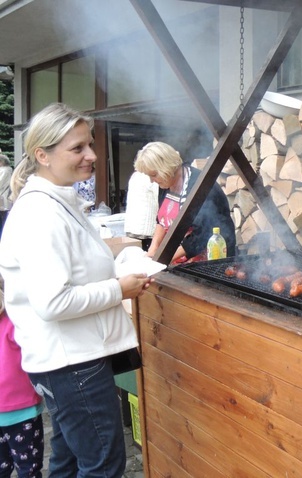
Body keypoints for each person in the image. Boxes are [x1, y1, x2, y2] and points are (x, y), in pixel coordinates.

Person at [0, 103, 153, 477]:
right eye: (78, 148)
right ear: (43, 155)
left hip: (69, 360)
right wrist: (120, 289)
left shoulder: (57, 203)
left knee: (68, 460)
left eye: (90, 144)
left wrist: (125, 249)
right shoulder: (40, 214)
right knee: (103, 465)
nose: (92, 155)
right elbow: (54, 301)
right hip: (72, 364)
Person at [133, 141, 236, 263]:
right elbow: (161, 221)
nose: (151, 181)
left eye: (154, 175)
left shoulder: (201, 187)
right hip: (176, 257)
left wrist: (164, 259)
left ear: (166, 168)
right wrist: (152, 251)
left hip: (208, 259)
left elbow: (203, 234)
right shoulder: (165, 183)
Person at [0, 277, 44, 478]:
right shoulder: (15, 322)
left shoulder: (13, 323)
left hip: (21, 410)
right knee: (29, 470)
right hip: (22, 410)